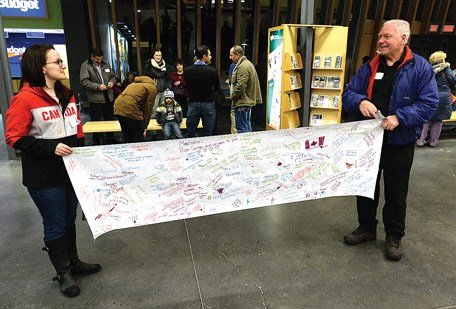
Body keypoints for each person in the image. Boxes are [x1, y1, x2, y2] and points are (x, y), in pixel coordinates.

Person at [5, 44, 101, 297]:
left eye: (61, 61)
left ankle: (74, 262)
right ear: (41, 67)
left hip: (71, 171)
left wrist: (85, 157)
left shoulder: (67, 94)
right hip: (44, 176)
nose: (62, 66)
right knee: (55, 224)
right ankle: (64, 273)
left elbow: (77, 130)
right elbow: (14, 138)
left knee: (69, 220)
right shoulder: (23, 99)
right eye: (57, 62)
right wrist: (51, 147)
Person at [342, 19, 438, 261]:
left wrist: (400, 117)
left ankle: (394, 236)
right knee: (365, 188)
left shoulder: (420, 68)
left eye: (387, 36)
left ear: (403, 39)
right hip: (369, 142)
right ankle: (366, 228)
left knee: (396, 192)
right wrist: (360, 101)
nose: (381, 41)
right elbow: (349, 93)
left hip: (400, 142)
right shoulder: (370, 66)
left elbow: (429, 104)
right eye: (380, 37)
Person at [416, 51, 456, 147]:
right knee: (438, 120)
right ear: (441, 59)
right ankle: (433, 142)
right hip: (443, 97)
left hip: (429, 96)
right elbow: (453, 81)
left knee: (425, 119)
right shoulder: (446, 70)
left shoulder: (427, 69)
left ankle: (420, 141)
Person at [80, 48, 116, 145]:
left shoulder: (106, 63)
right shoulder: (86, 65)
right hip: (95, 97)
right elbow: (84, 81)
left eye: (100, 59)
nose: (99, 61)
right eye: (97, 59)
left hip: (108, 95)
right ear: (92, 56)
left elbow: (113, 76)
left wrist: (111, 82)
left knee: (109, 118)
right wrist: (97, 86)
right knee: (96, 119)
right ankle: (96, 139)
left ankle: (110, 138)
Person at [183, 45, 222, 137]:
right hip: (208, 103)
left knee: (190, 132)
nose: (211, 57)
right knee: (208, 132)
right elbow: (217, 88)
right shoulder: (212, 71)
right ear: (204, 57)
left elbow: (186, 85)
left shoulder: (188, 70)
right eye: (210, 55)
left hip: (193, 102)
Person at [114, 75, 157, 143]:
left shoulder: (133, 84)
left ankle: (129, 151)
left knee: (127, 135)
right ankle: (139, 152)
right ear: (154, 80)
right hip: (131, 108)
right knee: (138, 137)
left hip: (118, 107)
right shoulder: (152, 87)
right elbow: (148, 108)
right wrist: (145, 127)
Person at [229, 45, 262, 133]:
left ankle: (244, 145)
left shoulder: (243, 66)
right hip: (246, 101)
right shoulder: (247, 64)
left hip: (242, 101)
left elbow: (240, 85)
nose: (230, 57)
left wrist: (233, 96)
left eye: (232, 55)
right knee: (246, 124)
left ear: (238, 55)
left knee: (241, 128)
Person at [143, 48, 171, 118]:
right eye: (157, 55)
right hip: (154, 91)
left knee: (164, 111)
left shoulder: (165, 64)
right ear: (153, 56)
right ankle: (152, 128)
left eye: (160, 55)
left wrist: (169, 89)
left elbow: (168, 78)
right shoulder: (148, 64)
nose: (158, 57)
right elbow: (145, 77)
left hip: (164, 90)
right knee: (153, 112)